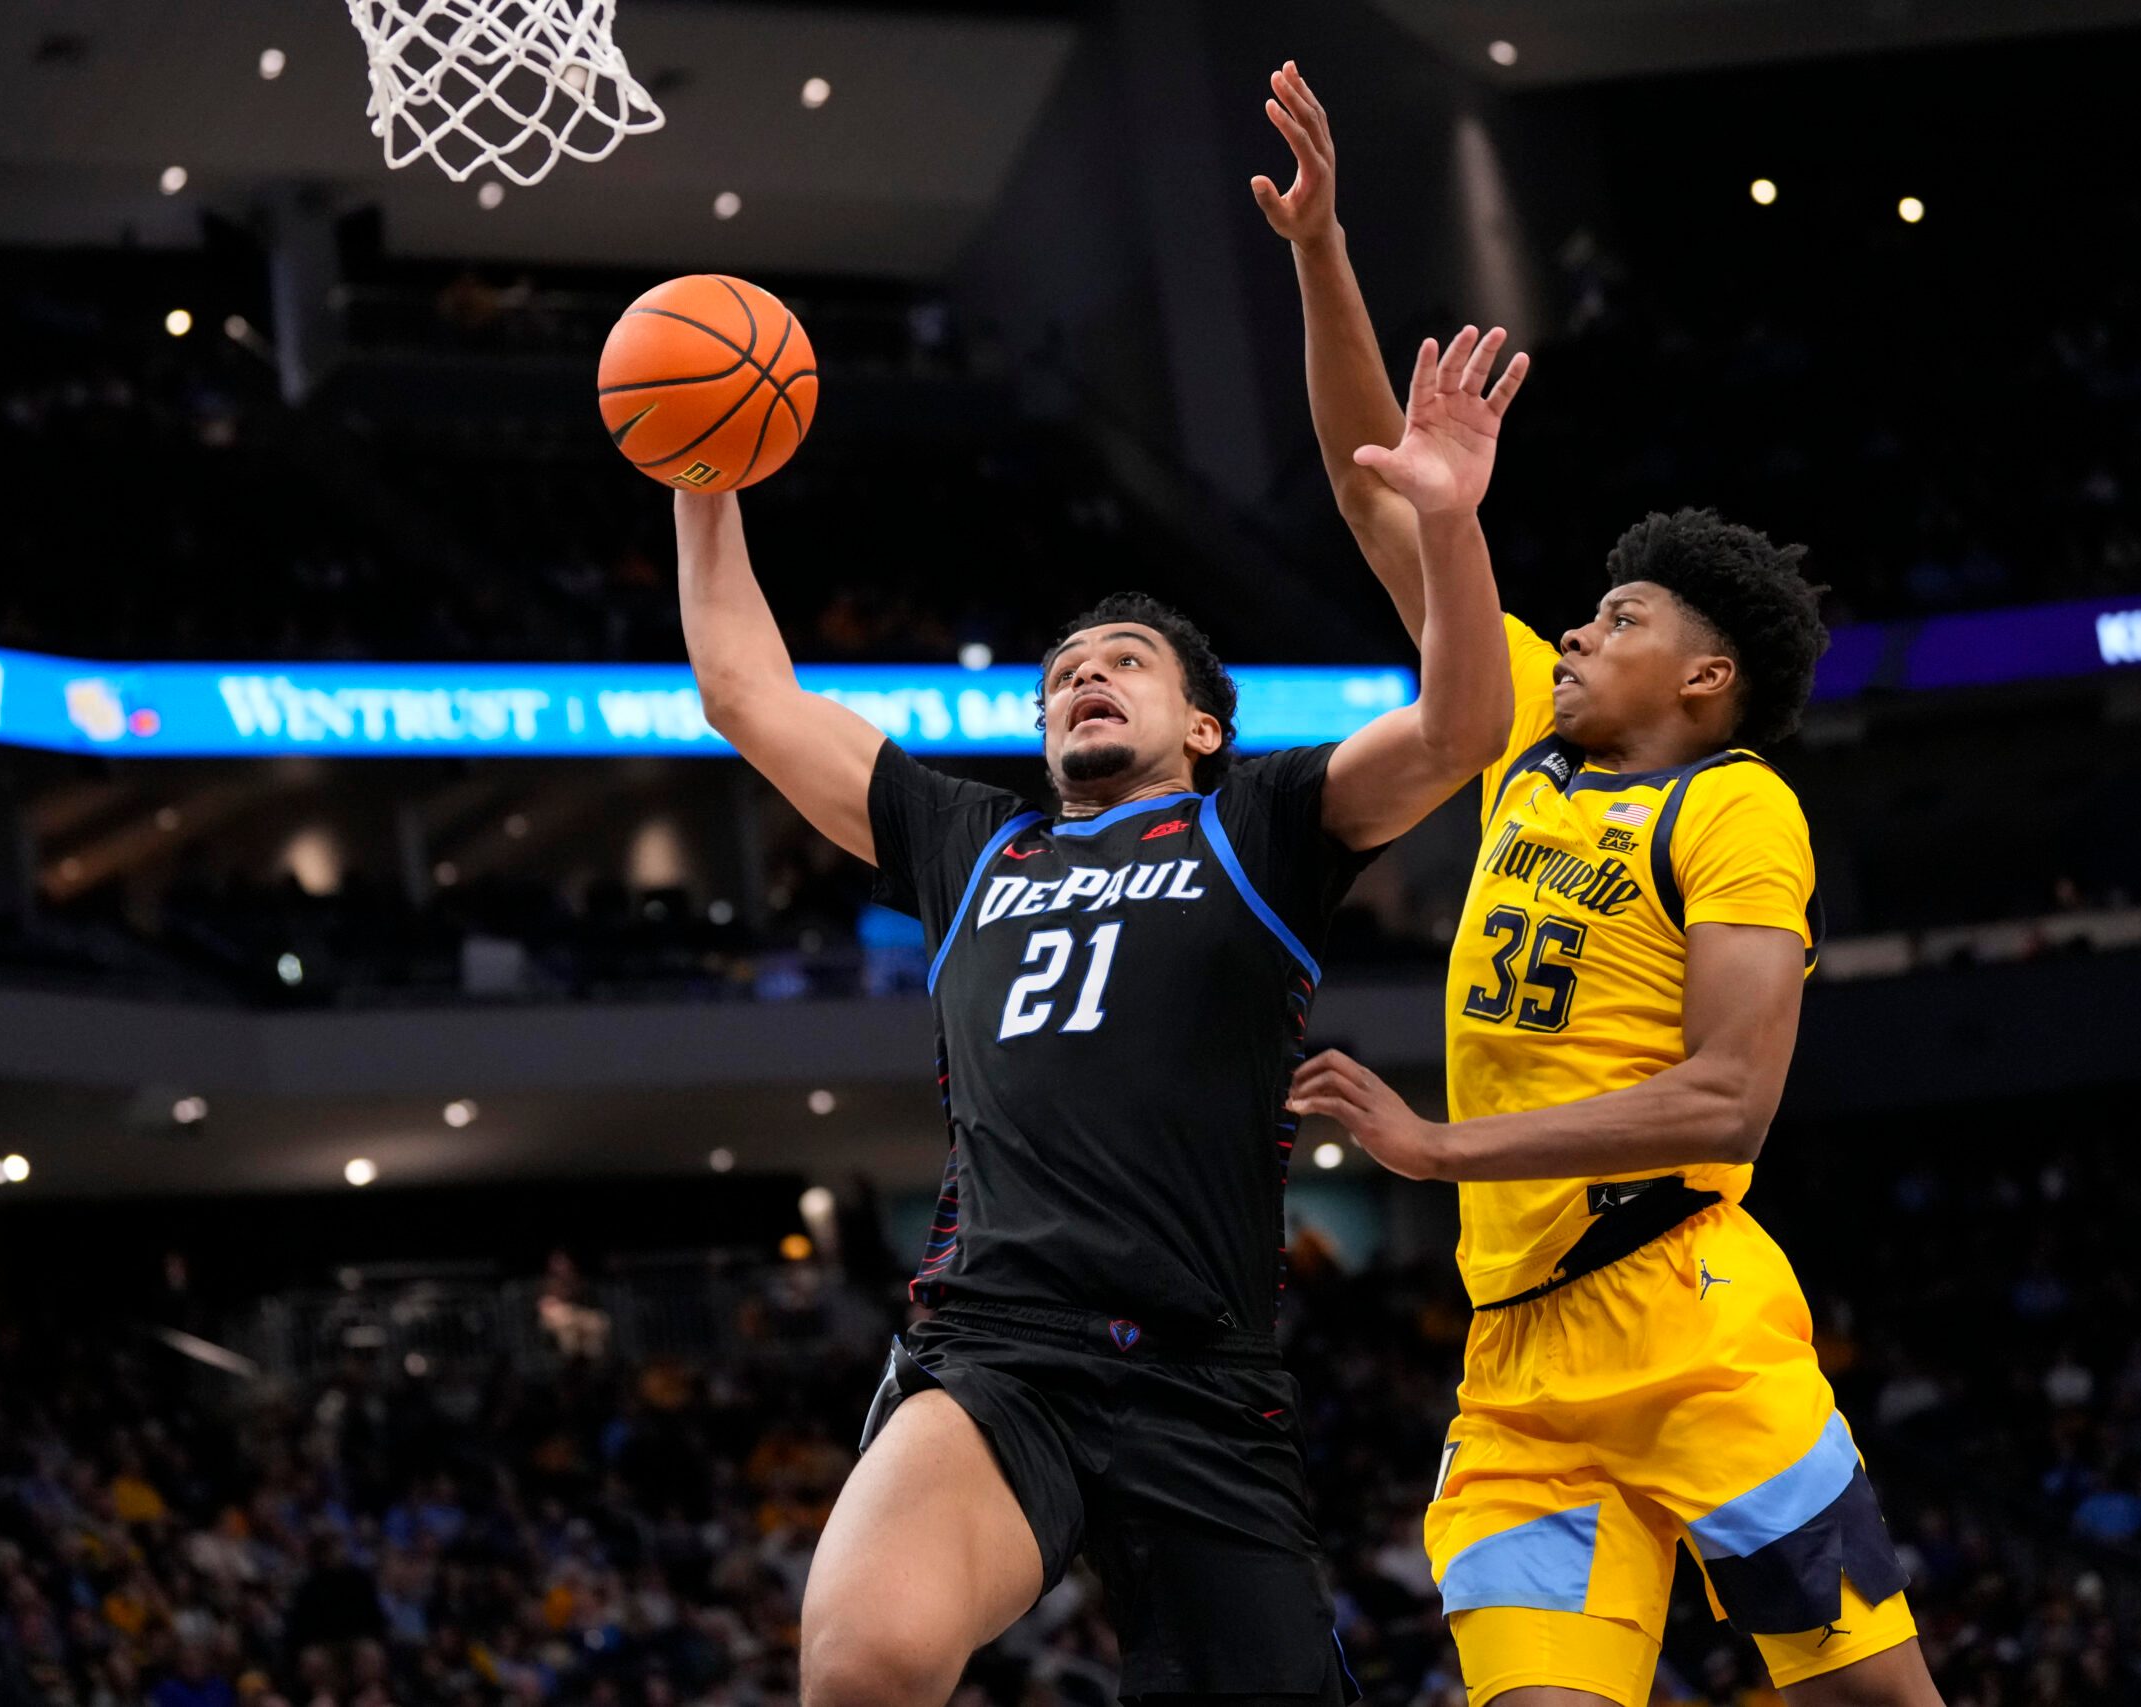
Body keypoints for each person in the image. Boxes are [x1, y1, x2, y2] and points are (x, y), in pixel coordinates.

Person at [672, 314, 1528, 1707]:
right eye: (1065, 668)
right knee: (866, 1660)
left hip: (1203, 1381)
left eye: (1125, 658)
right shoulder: (973, 846)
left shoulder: (1258, 824)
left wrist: (1447, 527)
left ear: (1204, 729)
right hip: (1001, 1347)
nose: (1084, 674)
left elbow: (1461, 729)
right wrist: (702, 474)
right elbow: (744, 692)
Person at [1255, 62, 1943, 1707]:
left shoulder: (1736, 808)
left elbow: (1725, 1100)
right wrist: (1321, 248)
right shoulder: (1521, 753)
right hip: (1516, 1367)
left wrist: (1436, 1146)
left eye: (1620, 623)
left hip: (1693, 1324)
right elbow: (1375, 485)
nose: (1577, 631)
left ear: (1705, 683)